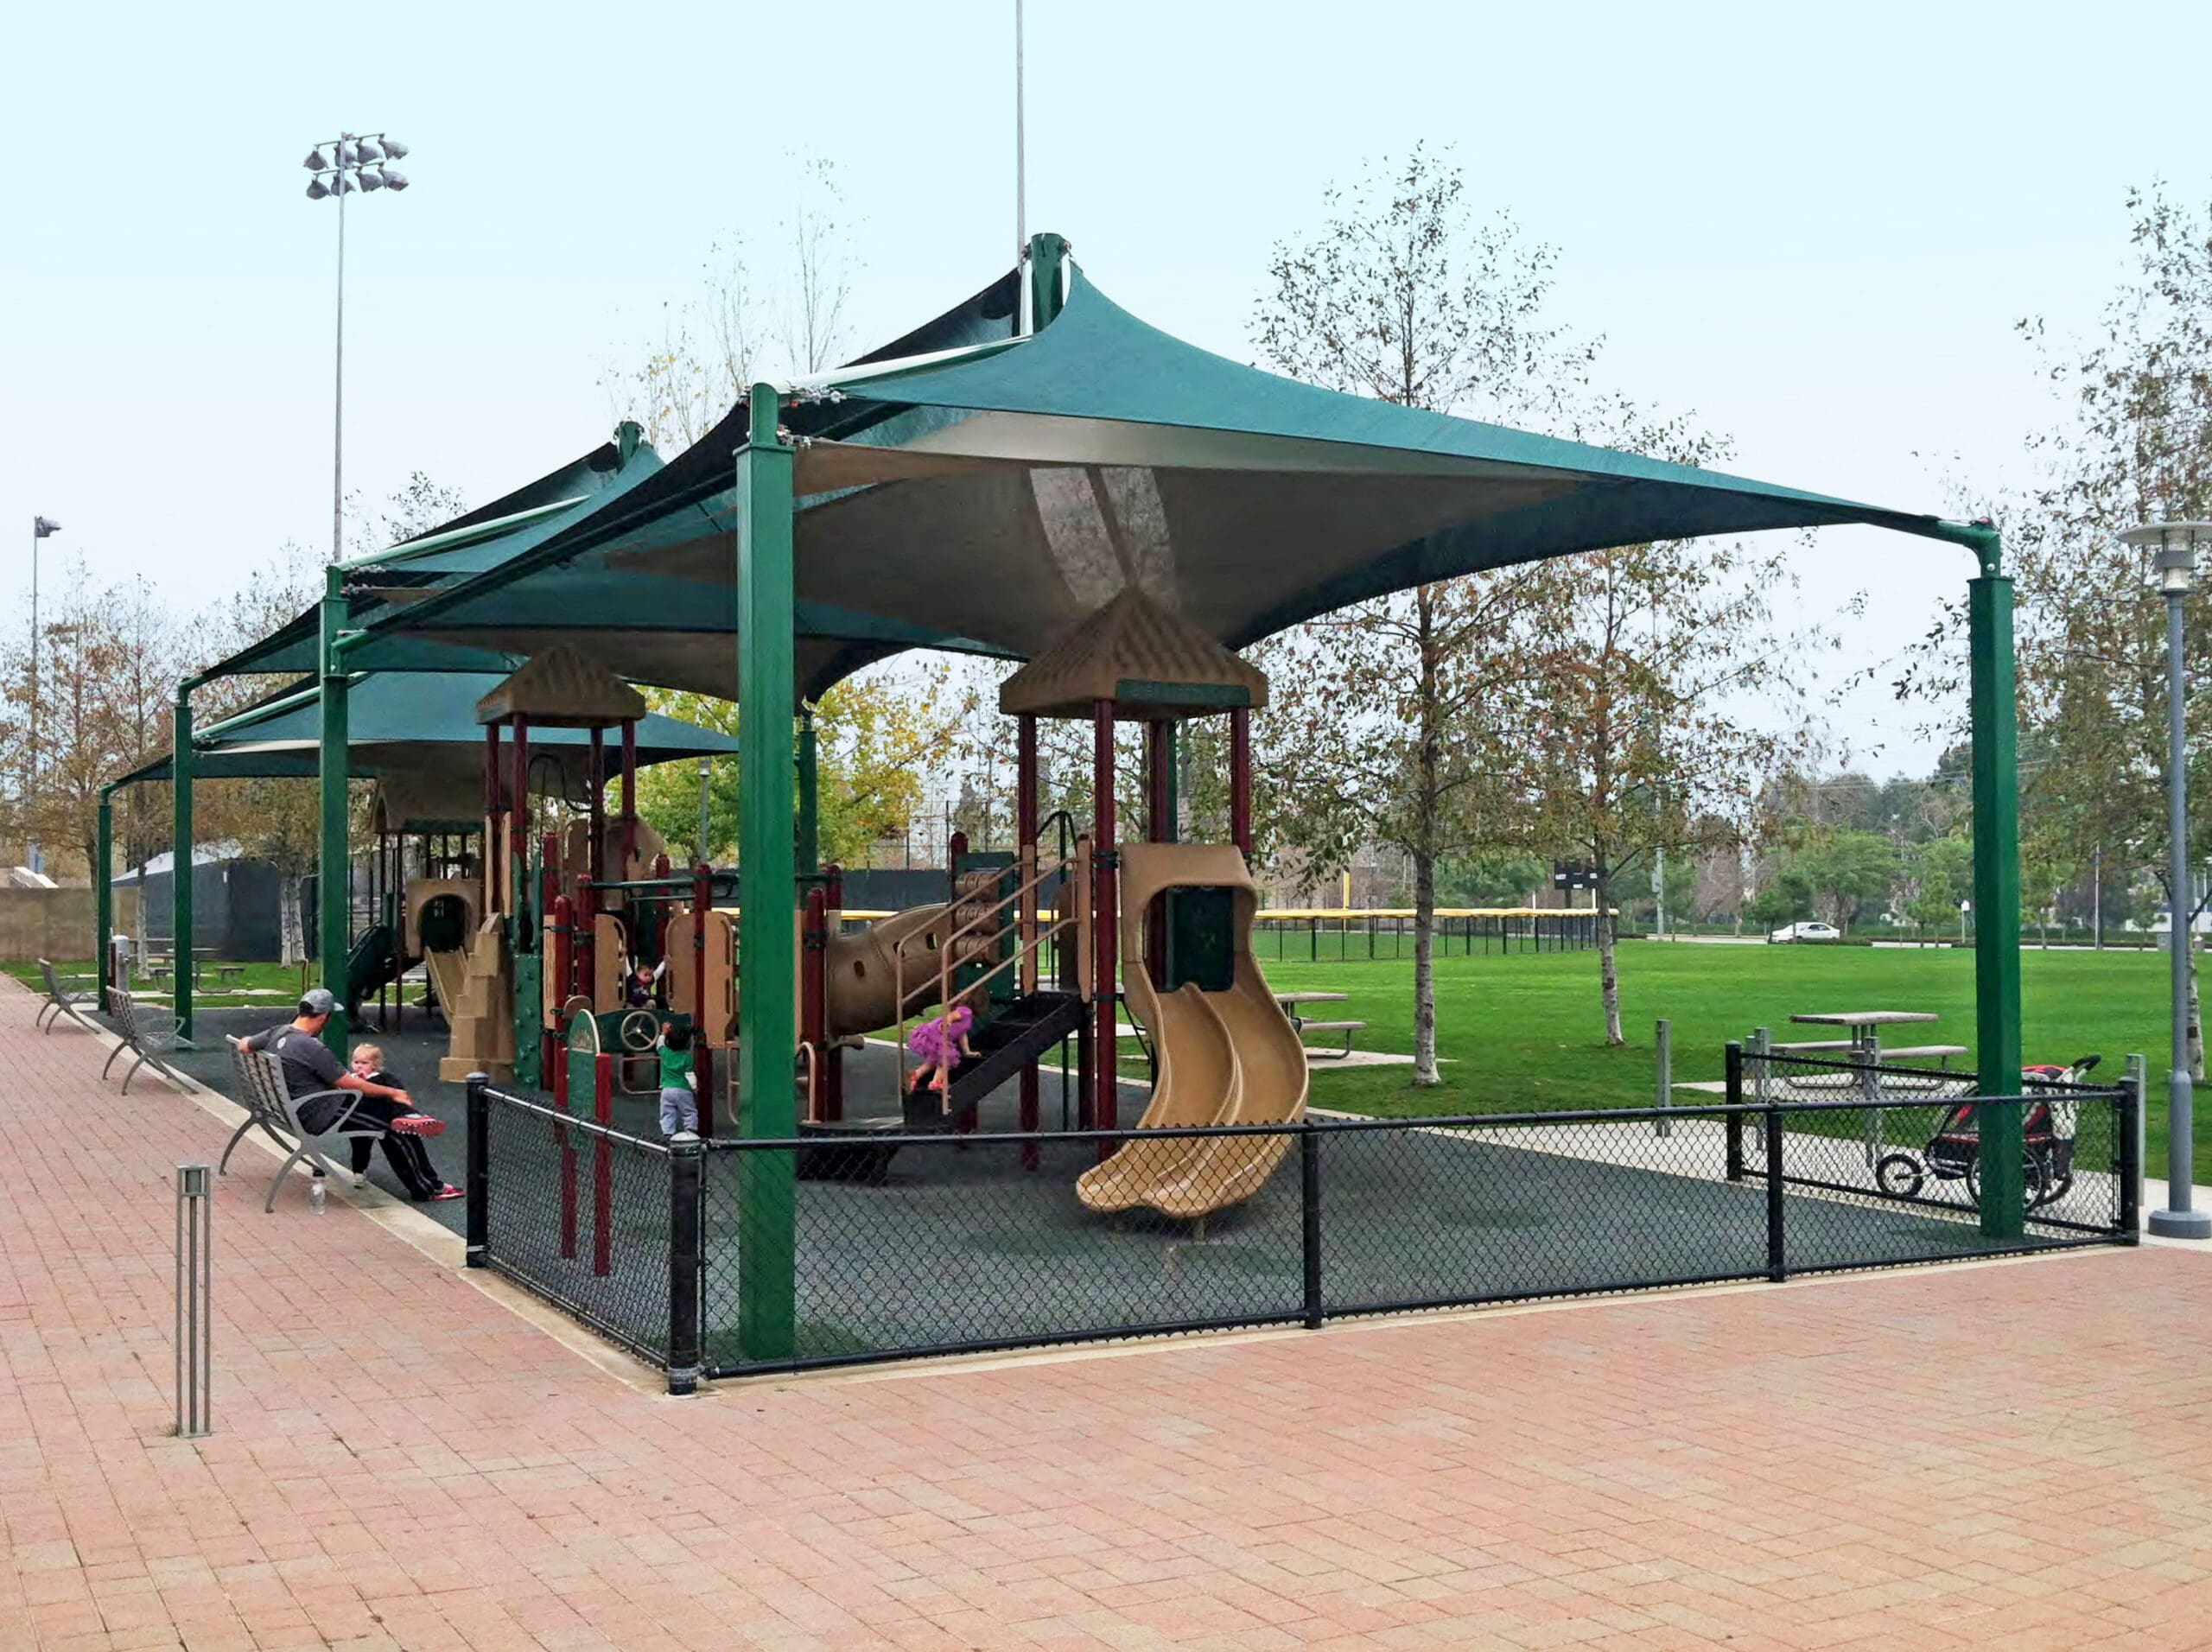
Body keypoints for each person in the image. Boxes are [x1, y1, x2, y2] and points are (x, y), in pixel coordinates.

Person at [232, 989, 448, 1194]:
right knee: (393, 1127)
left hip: (292, 1107)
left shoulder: (277, 1032)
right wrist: (392, 1092)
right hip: (320, 1113)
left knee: (385, 1109)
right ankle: (429, 1187)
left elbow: (244, 1045)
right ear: (323, 1017)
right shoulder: (312, 1048)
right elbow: (348, 1084)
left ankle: (409, 1117)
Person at [346, 1043, 461, 1201]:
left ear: (374, 1065)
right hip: (369, 1114)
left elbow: (398, 1093)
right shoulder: (352, 1080)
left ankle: (410, 1116)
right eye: (356, 1062)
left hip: (386, 1112)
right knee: (361, 1146)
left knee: (396, 1102)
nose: (359, 1067)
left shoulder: (382, 1078)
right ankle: (359, 1171)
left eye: (364, 1063)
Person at [906, 1001, 976, 1096]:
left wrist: (967, 1051)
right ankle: (936, 1082)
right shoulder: (966, 1011)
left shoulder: (966, 1017)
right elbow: (951, 1017)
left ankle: (916, 1075)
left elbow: (962, 1035)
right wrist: (947, 1022)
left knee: (934, 1061)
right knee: (946, 1059)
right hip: (936, 1035)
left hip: (934, 1034)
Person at [657, 1019, 697, 1138]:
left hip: (666, 1089)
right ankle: (691, 1131)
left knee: (667, 1113)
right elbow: (689, 1075)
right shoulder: (687, 1057)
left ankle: (668, 1133)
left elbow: (660, 1044)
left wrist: (664, 1033)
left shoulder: (665, 1053)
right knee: (689, 1112)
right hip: (682, 1089)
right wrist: (694, 1087)